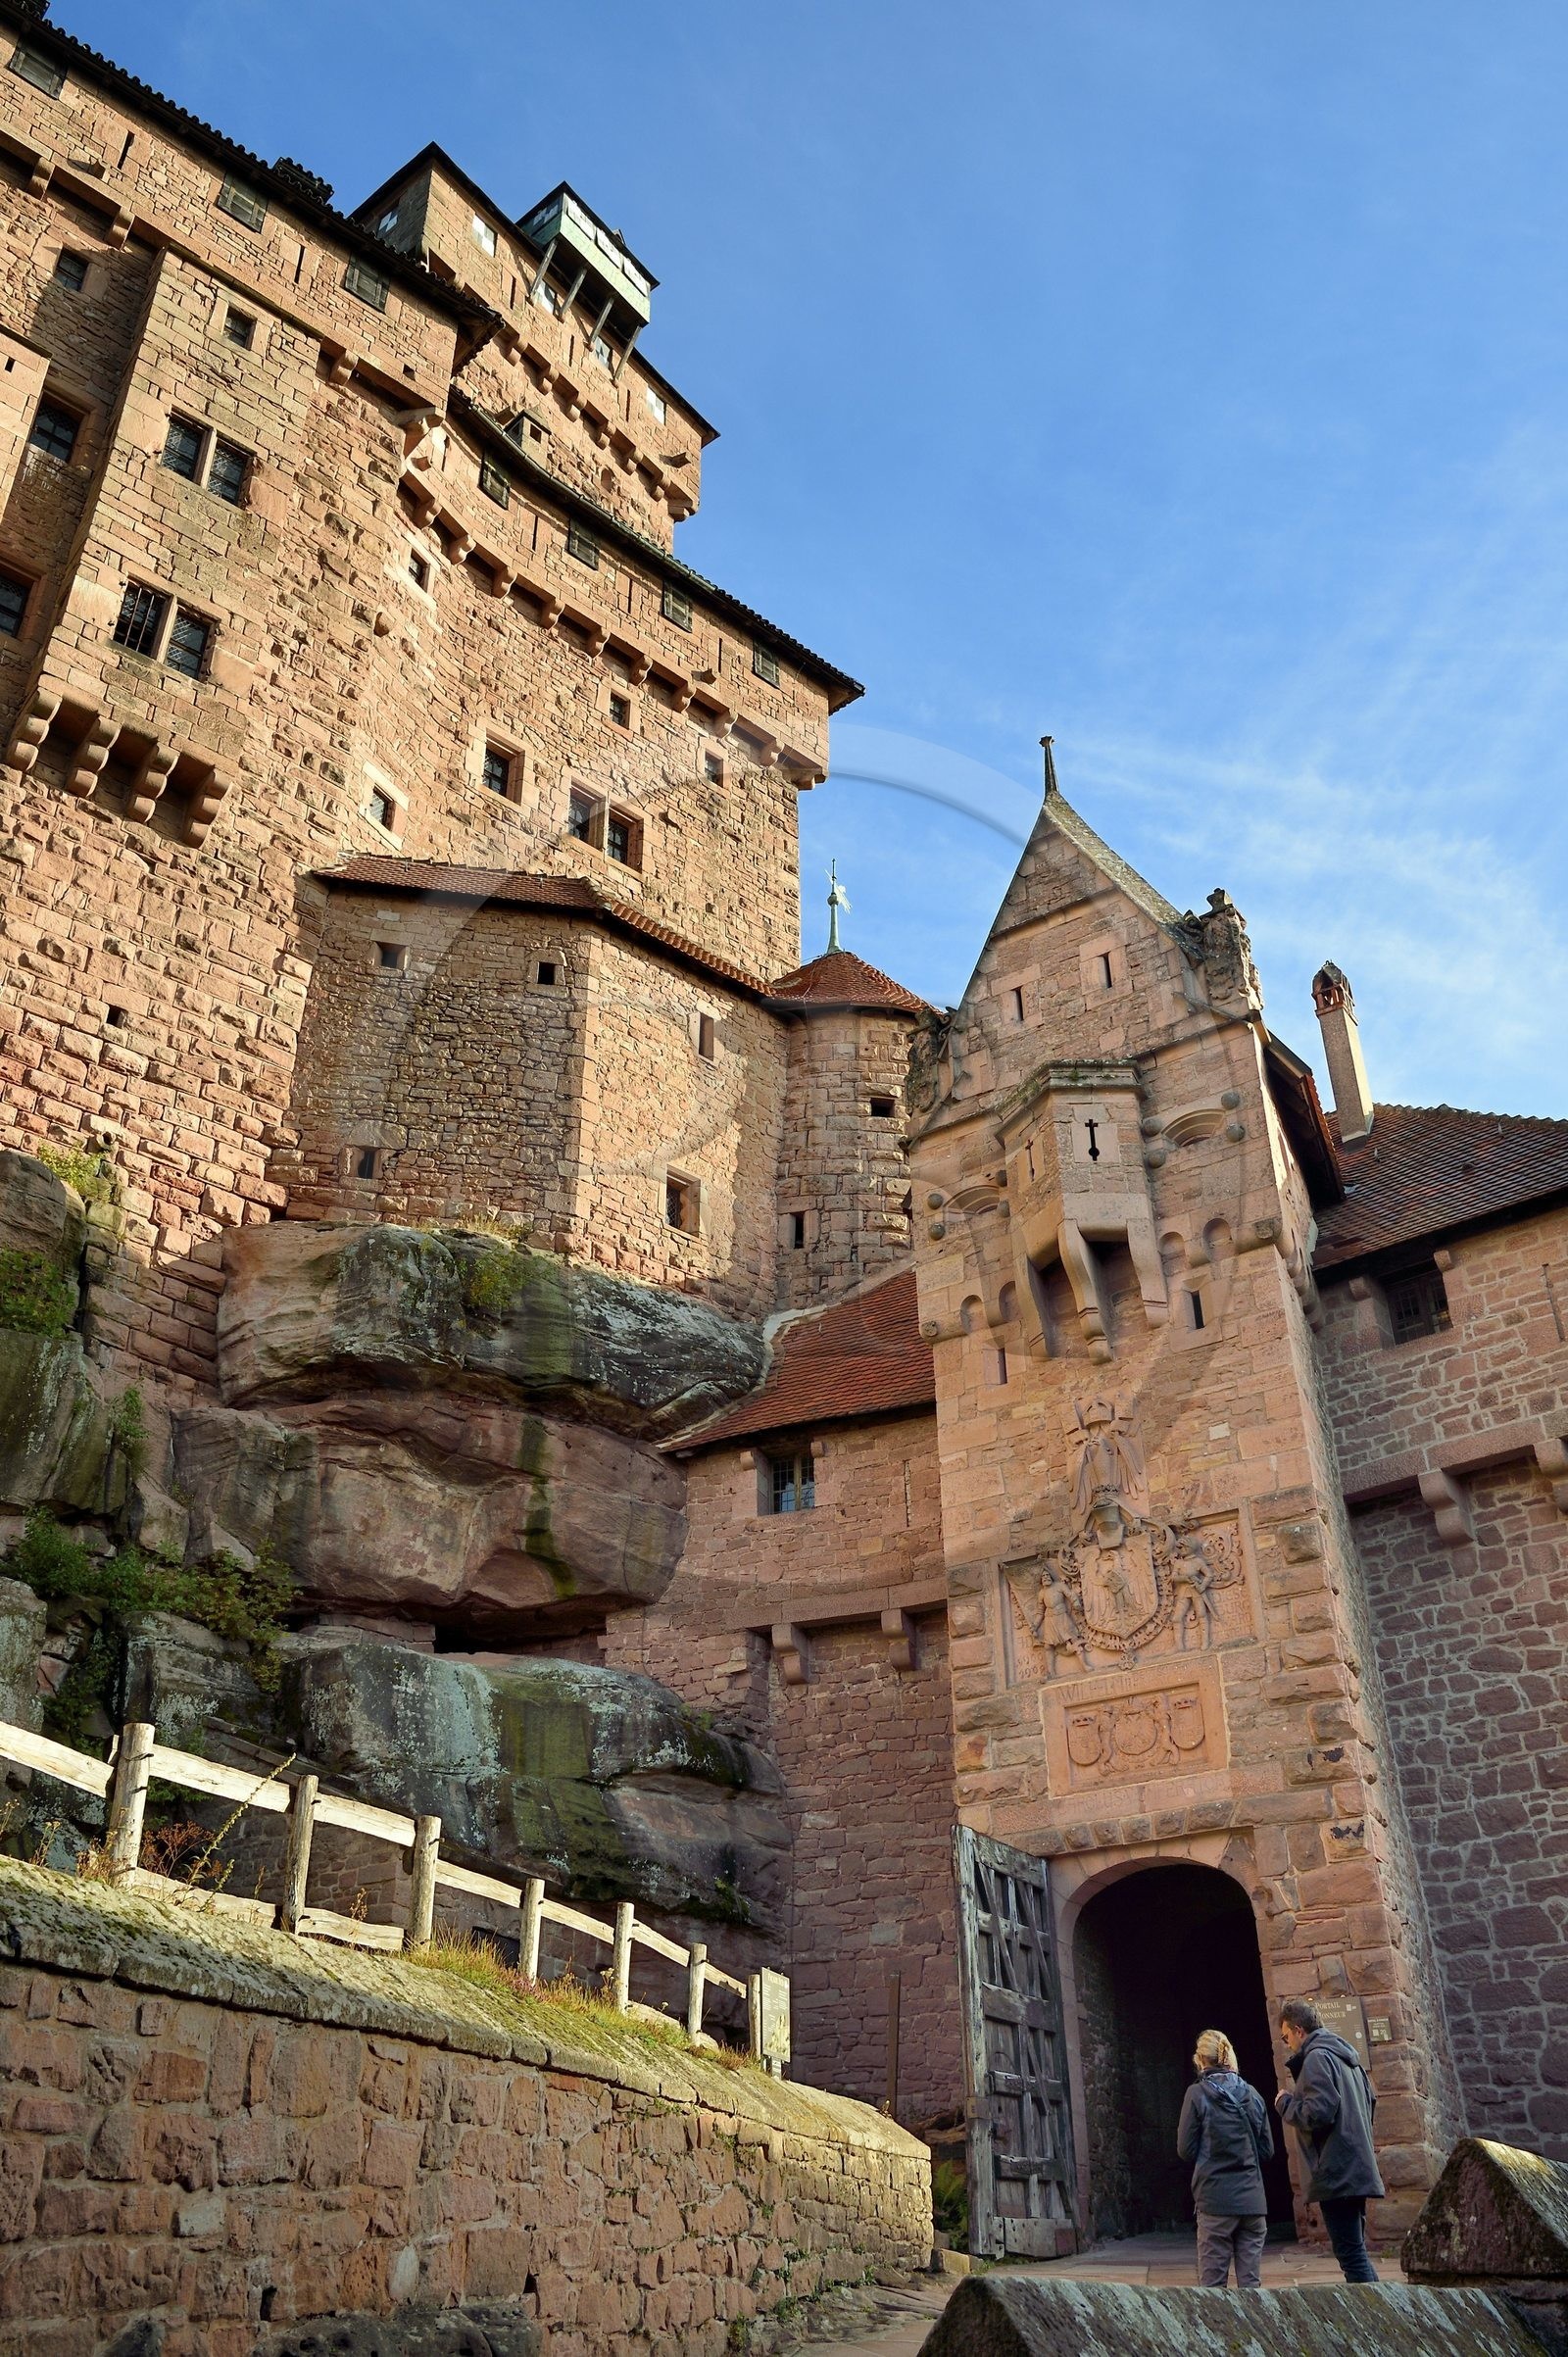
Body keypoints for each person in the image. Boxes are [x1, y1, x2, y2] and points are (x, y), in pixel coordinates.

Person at [1274, 1998, 1385, 2283]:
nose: (1287, 2044)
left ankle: (1375, 2308)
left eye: (1286, 2037)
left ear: (1299, 2030)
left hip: (1336, 2170)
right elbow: (1370, 2102)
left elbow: (1318, 2113)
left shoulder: (1317, 2058)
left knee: (1350, 2254)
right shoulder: (1347, 2057)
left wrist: (1285, 2103)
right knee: (1355, 2251)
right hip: (1355, 2164)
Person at [1175, 2028, 1274, 2288]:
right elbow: (1267, 2151)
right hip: (1252, 2201)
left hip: (1215, 2200)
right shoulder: (1253, 2094)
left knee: (1213, 2289)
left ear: (1200, 2059)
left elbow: (1185, 2150)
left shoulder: (1197, 2095)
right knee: (1251, 2287)